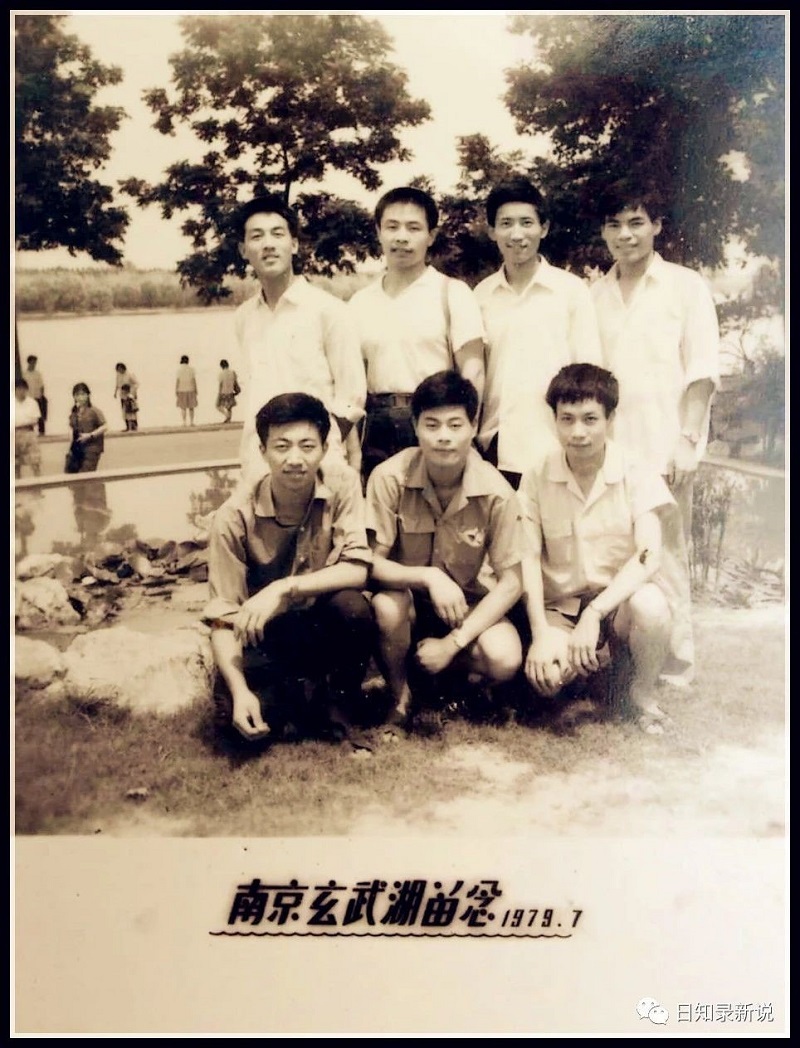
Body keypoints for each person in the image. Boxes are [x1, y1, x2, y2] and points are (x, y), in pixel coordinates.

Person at [590, 180, 720, 681]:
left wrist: (687, 441)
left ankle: (675, 661)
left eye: (636, 223)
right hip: (610, 449)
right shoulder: (595, 294)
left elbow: (702, 371)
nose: (626, 235)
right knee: (618, 551)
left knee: (667, 552)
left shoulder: (685, 287)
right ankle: (623, 657)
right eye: (615, 225)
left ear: (657, 226)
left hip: (665, 444)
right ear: (604, 232)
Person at [202, 391, 375, 752]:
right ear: (262, 450)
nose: (295, 459)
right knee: (236, 724)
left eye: (307, 446)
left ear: (324, 449)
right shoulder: (232, 517)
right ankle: (301, 697)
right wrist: (239, 691)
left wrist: (283, 588)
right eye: (281, 446)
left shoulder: (342, 483)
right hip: (265, 634)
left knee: (353, 608)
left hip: (321, 621)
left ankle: (338, 711)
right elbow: (222, 618)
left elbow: (357, 568)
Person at [366, 370, 525, 736]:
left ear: (473, 427)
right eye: (432, 425)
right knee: (387, 607)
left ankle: (445, 678)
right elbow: (370, 563)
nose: (443, 437)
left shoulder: (496, 491)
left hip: (460, 607)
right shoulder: (389, 477)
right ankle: (400, 698)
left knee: (504, 657)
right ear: (415, 427)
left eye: (455, 425)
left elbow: (512, 582)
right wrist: (428, 577)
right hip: (405, 602)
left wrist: (454, 644)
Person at [519, 363, 675, 734]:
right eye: (567, 419)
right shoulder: (536, 475)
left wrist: (596, 612)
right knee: (547, 680)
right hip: (563, 609)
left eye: (590, 419)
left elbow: (648, 555)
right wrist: (540, 634)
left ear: (611, 419)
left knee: (652, 606)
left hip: (617, 607)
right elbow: (527, 558)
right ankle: (595, 672)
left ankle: (641, 695)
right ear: (555, 421)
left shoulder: (637, 471)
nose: (578, 432)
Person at [348, 187, 486, 483]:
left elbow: (473, 370)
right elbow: (352, 383)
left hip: (436, 422)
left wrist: (466, 432)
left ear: (431, 236)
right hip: (377, 427)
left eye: (413, 228)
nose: (402, 237)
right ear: (379, 232)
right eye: (392, 227)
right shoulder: (360, 302)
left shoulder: (452, 292)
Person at [475, 177, 603, 489]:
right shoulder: (481, 295)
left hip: (556, 445)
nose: (517, 234)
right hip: (495, 446)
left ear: (543, 228)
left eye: (526, 222)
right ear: (492, 231)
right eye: (506, 224)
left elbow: (589, 371)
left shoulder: (570, 290)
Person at [233, 195, 366, 479]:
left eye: (277, 234)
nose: (268, 244)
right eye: (257, 236)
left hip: (320, 465)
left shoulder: (328, 310)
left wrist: (319, 449)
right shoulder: (243, 317)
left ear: (293, 244)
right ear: (243, 250)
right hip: (259, 466)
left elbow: (351, 397)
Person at [67, 382, 108, 473]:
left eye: (83, 394)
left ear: (88, 395)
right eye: (77, 395)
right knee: (71, 473)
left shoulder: (94, 410)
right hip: (77, 448)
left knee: (86, 473)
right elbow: (71, 427)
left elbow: (105, 426)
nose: (80, 397)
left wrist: (90, 435)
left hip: (92, 448)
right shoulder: (74, 412)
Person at [14, 378, 42, 479]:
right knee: (15, 464)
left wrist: (21, 422)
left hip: (28, 432)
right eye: (18, 389)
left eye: (23, 389)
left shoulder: (32, 402)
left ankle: (39, 484)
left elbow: (35, 419)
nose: (21, 391)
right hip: (13, 434)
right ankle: (17, 485)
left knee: (35, 462)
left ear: (26, 389)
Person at [24, 355, 47, 435]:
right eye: (32, 362)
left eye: (35, 363)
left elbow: (41, 386)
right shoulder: (25, 374)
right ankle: (30, 432)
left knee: (40, 415)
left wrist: (41, 396)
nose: (34, 364)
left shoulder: (37, 374)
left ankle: (42, 432)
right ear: (29, 362)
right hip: (28, 397)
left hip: (38, 397)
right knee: (29, 415)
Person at [114, 363, 139, 430]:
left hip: (130, 394)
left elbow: (136, 384)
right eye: (118, 369)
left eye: (120, 369)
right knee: (124, 411)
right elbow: (117, 384)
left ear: (123, 368)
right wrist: (115, 392)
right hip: (122, 394)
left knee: (131, 410)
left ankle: (134, 426)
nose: (119, 371)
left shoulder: (130, 374)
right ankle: (127, 426)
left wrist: (131, 392)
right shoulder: (118, 375)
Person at [175, 354, 198, 426]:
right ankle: (191, 422)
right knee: (191, 407)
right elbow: (193, 380)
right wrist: (196, 389)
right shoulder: (192, 369)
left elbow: (178, 381)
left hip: (181, 389)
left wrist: (176, 390)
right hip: (191, 389)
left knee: (183, 408)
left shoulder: (179, 370)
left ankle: (184, 422)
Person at [216, 359, 239, 423]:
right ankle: (228, 419)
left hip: (223, 392)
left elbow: (220, 384)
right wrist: (236, 391)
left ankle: (227, 416)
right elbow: (235, 382)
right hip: (231, 391)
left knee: (217, 406)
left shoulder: (221, 374)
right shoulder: (232, 372)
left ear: (221, 366)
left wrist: (219, 393)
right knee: (229, 407)